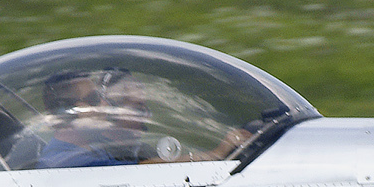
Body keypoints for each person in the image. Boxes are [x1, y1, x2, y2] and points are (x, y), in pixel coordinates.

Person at [34, 68, 256, 168]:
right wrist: (218, 153)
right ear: (67, 113)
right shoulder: (68, 162)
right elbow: (146, 169)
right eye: (93, 99)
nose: (104, 105)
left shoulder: (86, 150)